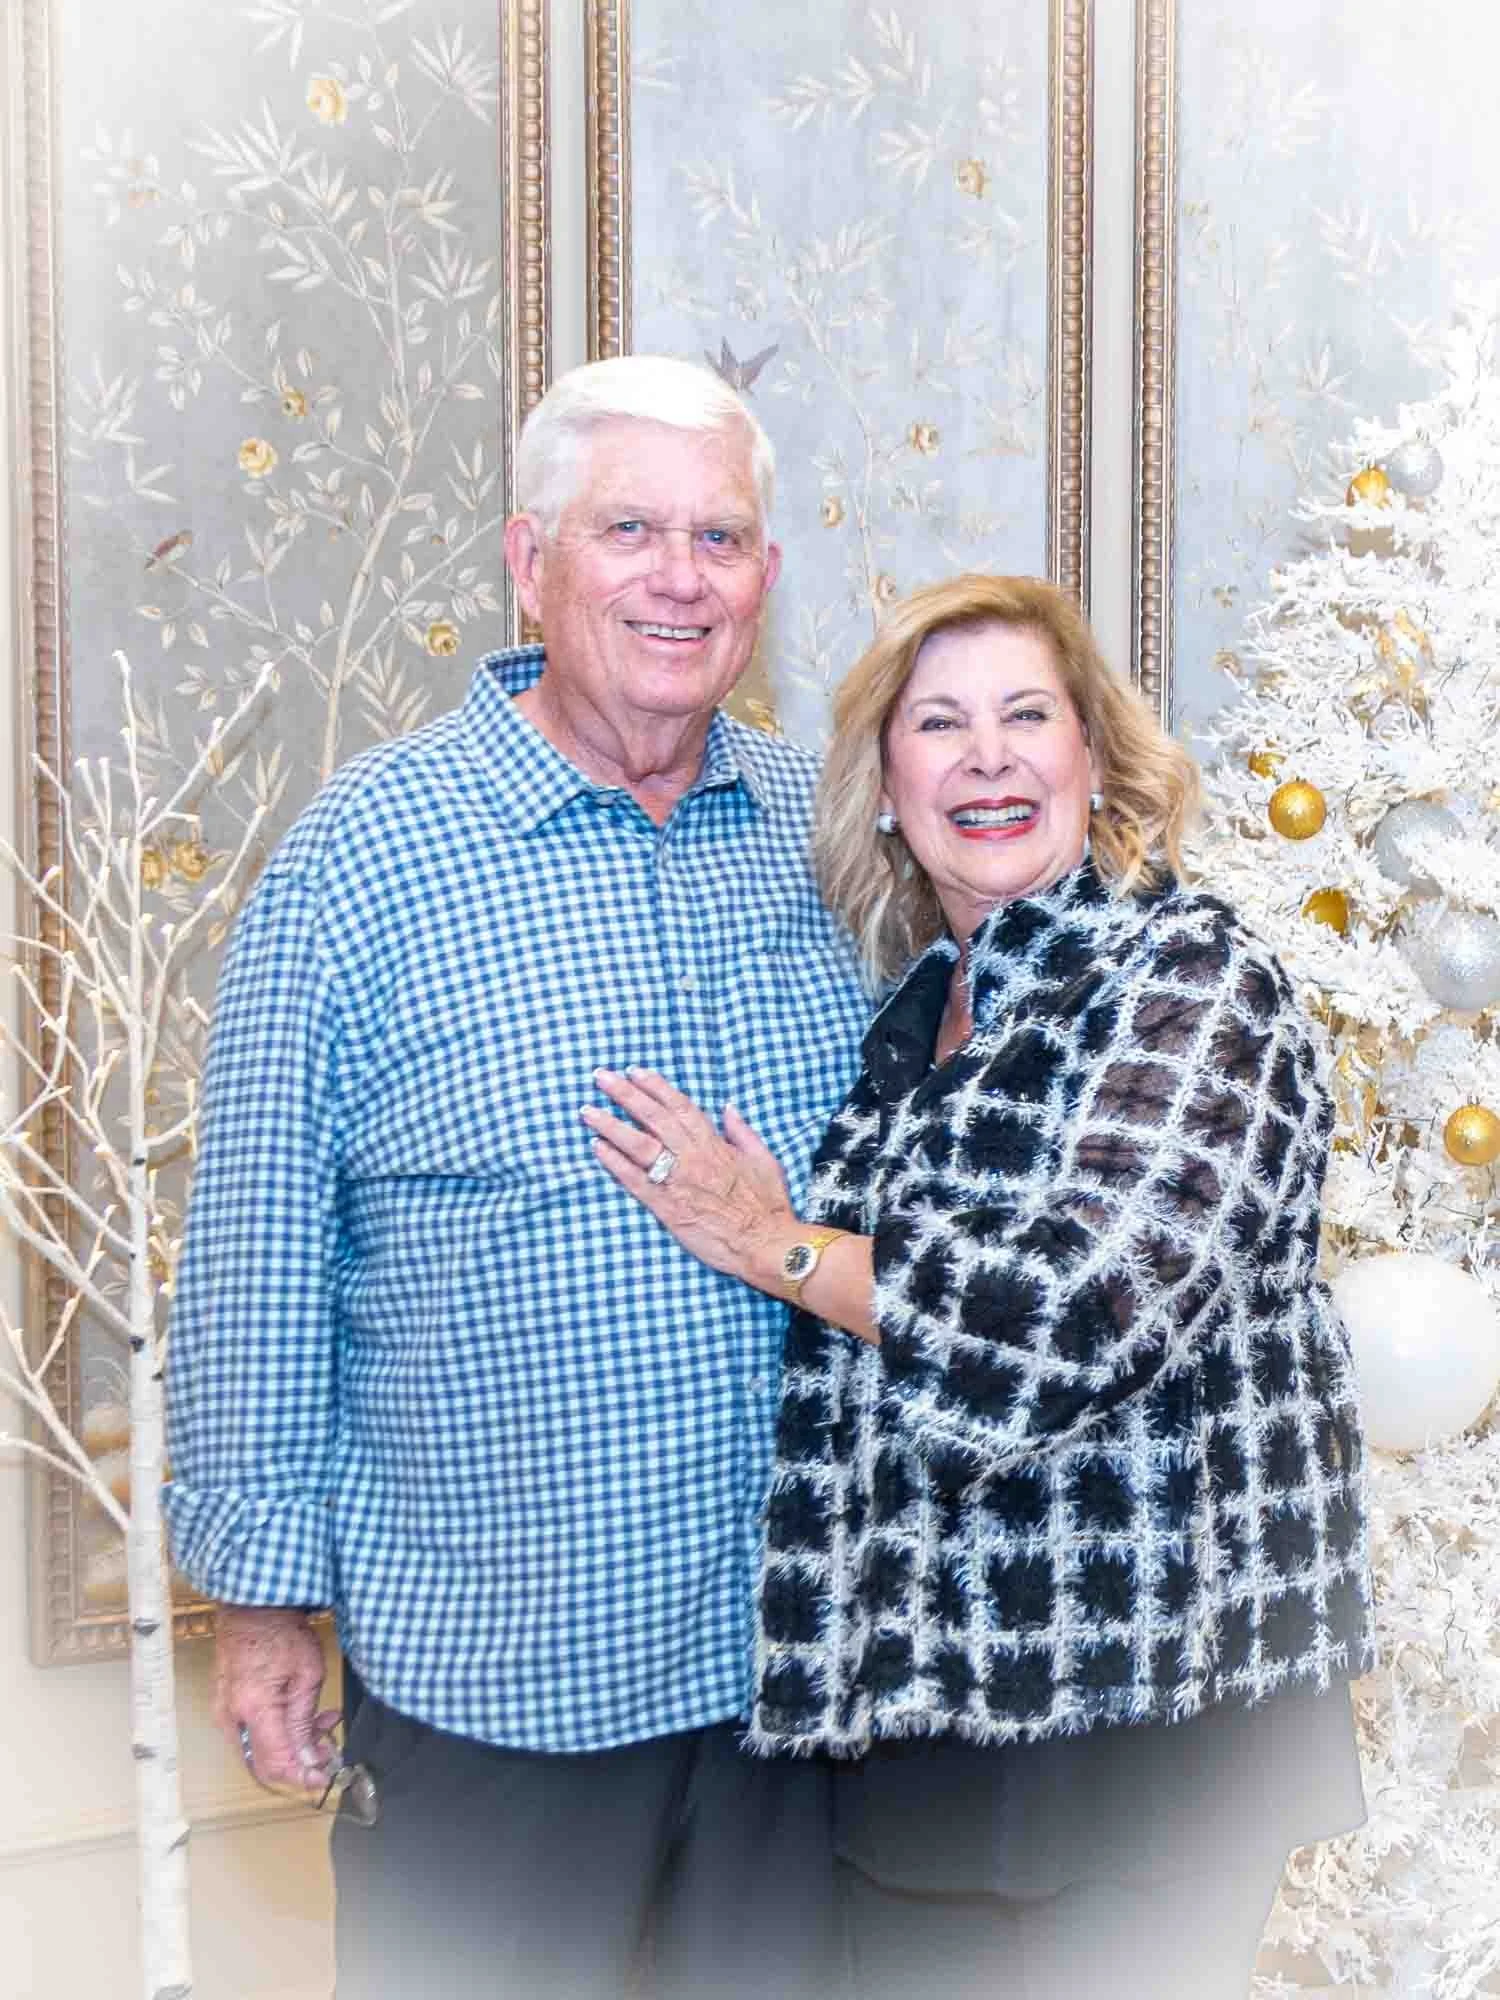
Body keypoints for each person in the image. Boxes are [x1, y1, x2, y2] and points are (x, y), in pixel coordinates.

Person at [163, 355, 870, 1999]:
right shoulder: (364, 856)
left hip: (793, 1679)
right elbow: (259, 1249)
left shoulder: (827, 833)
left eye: (719, 537)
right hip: (501, 1685)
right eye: (630, 529)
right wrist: (262, 1609)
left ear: (765, 576)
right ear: (528, 558)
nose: (679, 576)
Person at [586, 572, 1375, 2000]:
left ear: (1097, 758)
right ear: (889, 790)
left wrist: (777, 1244)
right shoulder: (909, 1012)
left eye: (1028, 716)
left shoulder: (1195, 980)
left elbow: (1068, 1318)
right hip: (915, 1719)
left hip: (1144, 1721)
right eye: (940, 725)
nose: (989, 757)